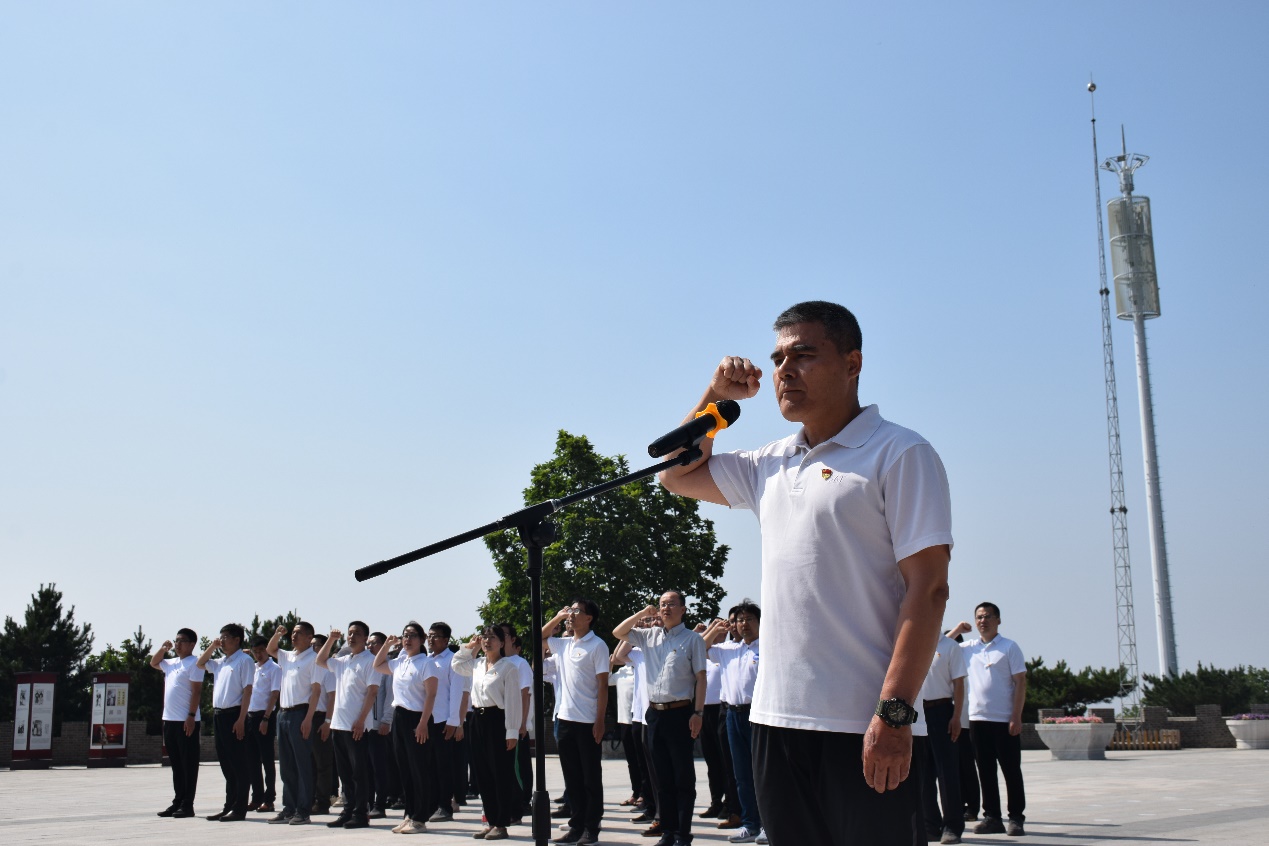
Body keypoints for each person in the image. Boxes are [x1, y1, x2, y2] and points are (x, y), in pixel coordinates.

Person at [657, 301, 954, 846]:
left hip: (862, 723)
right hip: (775, 721)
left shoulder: (900, 452)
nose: (785, 370)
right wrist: (715, 397)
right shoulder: (770, 463)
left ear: (852, 363)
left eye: (804, 355)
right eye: (777, 359)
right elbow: (676, 475)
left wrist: (894, 714)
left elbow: (929, 589)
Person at [613, 591, 708, 846]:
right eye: (662, 604)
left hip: (681, 713)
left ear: (683, 609)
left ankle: (683, 834)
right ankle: (668, 832)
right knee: (662, 779)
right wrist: (643, 613)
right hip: (654, 714)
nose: (666, 608)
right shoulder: (649, 636)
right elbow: (618, 632)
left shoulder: (693, 640)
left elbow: (701, 677)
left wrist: (698, 713)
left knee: (683, 779)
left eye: (671, 604)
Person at [954, 604, 1027, 837]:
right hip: (977, 719)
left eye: (987, 616)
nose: (982, 621)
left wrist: (1016, 716)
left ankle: (1016, 818)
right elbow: (941, 646)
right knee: (985, 771)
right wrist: (957, 630)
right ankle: (992, 817)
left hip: (1004, 719)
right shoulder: (968, 648)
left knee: (1011, 770)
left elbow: (1020, 682)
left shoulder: (1009, 647)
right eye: (978, 617)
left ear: (998, 620)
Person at [542, 600, 610, 846]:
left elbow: (603, 686)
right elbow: (539, 637)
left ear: (589, 618)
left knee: (590, 778)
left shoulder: (597, 645)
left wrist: (600, 721)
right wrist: (559, 617)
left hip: (588, 721)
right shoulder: (563, 644)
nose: (571, 615)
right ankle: (576, 826)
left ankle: (591, 827)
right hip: (565, 720)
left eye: (576, 611)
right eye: (570, 610)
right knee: (572, 779)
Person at [452, 626, 524, 842]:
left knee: (500, 774)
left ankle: (501, 823)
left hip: (497, 721)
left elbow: (513, 702)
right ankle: (491, 821)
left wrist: (512, 731)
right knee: (482, 774)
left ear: (502, 643)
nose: (487, 641)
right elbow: (456, 664)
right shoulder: (477, 665)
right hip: (477, 719)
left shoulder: (508, 667)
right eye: (484, 637)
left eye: (492, 637)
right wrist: (470, 646)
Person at [704, 601, 762, 843]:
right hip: (732, 714)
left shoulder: (766, 648)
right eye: (739, 620)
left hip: (757, 716)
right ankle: (750, 824)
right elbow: (698, 648)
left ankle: (768, 823)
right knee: (741, 774)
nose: (744, 624)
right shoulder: (728, 649)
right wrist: (715, 630)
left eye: (749, 619)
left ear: (759, 622)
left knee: (761, 772)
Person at [373, 620, 439, 835]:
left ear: (422, 640)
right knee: (405, 769)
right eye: (405, 635)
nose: (407, 639)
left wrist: (423, 723)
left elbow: (431, 695)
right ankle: (409, 814)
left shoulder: (426, 663)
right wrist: (387, 645)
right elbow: (377, 665)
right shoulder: (400, 662)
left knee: (419, 770)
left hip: (418, 718)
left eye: (412, 636)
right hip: (399, 717)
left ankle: (420, 817)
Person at [317, 622, 380, 829]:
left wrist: (361, 720)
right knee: (344, 773)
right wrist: (331, 640)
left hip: (357, 726)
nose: (351, 637)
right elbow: (320, 660)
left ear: (365, 638)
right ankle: (348, 810)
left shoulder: (371, 661)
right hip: (339, 724)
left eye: (357, 634)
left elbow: (372, 692)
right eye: (349, 633)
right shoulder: (342, 661)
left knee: (358, 773)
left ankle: (361, 813)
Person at [196, 623, 255, 822]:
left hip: (234, 715)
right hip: (219, 715)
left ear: (237, 640)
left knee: (239, 764)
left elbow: (248, 691)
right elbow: (200, 663)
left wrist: (241, 719)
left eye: (225, 637)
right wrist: (212, 647)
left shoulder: (244, 660)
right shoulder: (221, 662)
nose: (221, 641)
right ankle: (229, 806)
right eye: (220, 637)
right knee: (226, 764)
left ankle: (240, 808)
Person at [266, 620, 322, 826]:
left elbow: (316, 692)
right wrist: (277, 634)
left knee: (302, 765)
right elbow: (271, 649)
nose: (294, 636)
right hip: (283, 713)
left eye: (298, 633)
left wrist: (308, 718)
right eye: (293, 633)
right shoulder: (287, 656)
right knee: (286, 766)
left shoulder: (314, 659)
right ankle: (288, 808)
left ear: (309, 637)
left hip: (300, 713)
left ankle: (303, 810)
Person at [918, 629, 968, 844]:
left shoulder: (949, 646)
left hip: (942, 711)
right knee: (923, 773)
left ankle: (952, 826)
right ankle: (930, 825)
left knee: (947, 772)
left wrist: (956, 716)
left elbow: (959, 684)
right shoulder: (916, 644)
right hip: (919, 714)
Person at [150, 628, 205, 819]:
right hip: (170, 720)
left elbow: (197, 691)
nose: (177, 644)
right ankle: (178, 801)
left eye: (182, 641)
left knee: (188, 764)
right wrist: (163, 649)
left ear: (192, 644)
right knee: (176, 765)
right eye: (176, 641)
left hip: (186, 721)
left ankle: (187, 804)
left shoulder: (195, 663)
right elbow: (153, 662)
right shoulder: (171, 663)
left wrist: (191, 715)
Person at [422, 621, 467, 824]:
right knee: (429, 765)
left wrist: (454, 721)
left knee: (444, 766)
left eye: (436, 636)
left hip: (443, 720)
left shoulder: (452, 660)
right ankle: (431, 804)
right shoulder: (426, 659)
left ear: (446, 640)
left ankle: (445, 806)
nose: (431, 640)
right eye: (429, 636)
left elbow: (457, 692)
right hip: (427, 720)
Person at [246, 635, 281, 813]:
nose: (258, 654)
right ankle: (256, 797)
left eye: (261, 650)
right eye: (255, 651)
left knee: (267, 759)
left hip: (264, 715)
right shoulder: (252, 668)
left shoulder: (274, 668)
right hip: (250, 715)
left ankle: (269, 798)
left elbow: (274, 694)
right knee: (252, 760)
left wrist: (266, 718)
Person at [366, 631, 396, 818]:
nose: (370, 646)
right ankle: (368, 802)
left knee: (379, 767)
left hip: (379, 725)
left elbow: (390, 696)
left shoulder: (387, 667)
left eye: (374, 643)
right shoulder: (366, 664)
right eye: (368, 643)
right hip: (364, 725)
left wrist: (386, 720)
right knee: (366, 767)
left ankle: (380, 803)